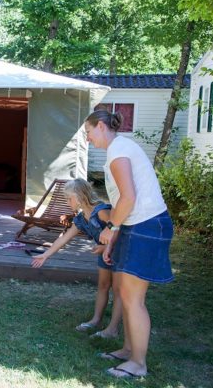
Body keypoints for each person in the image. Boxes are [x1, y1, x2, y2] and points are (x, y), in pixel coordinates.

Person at [85, 110, 174, 379]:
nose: (88, 139)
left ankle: (138, 363)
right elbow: (125, 203)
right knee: (124, 292)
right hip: (135, 225)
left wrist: (111, 230)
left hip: (147, 225)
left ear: (100, 126)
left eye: (88, 133)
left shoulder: (118, 151)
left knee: (134, 299)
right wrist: (116, 236)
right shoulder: (118, 149)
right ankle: (127, 349)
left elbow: (128, 198)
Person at [31, 178, 122, 339]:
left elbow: (117, 229)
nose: (67, 202)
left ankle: (113, 328)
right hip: (104, 253)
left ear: (79, 197)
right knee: (102, 285)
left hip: (119, 251)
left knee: (118, 290)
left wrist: (105, 247)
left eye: (69, 198)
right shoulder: (80, 219)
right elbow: (64, 238)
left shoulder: (100, 210)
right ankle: (96, 320)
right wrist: (45, 255)